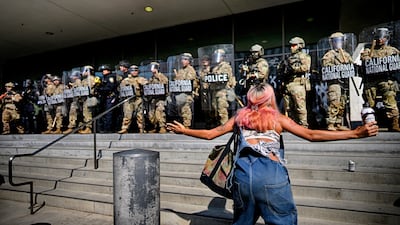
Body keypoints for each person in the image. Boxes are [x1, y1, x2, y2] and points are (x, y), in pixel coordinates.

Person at [166, 83, 378, 225]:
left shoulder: (240, 118)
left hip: (242, 177)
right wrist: (355, 133)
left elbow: (211, 134)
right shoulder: (278, 119)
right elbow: (311, 134)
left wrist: (184, 130)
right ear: (269, 99)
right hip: (271, 176)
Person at [360, 27, 400, 132]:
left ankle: (394, 122)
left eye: (383, 37)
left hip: (386, 79)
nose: (380, 40)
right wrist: (372, 49)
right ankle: (369, 123)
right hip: (371, 80)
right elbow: (365, 61)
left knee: (390, 100)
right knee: (369, 102)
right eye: (378, 37)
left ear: (387, 38)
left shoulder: (392, 50)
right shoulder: (368, 50)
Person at [321, 32, 353, 131]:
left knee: (343, 102)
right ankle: (331, 123)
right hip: (334, 82)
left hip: (344, 82)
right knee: (334, 102)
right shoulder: (329, 55)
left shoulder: (346, 54)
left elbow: (351, 65)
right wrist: (338, 67)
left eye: (340, 41)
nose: (338, 43)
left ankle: (339, 123)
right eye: (336, 41)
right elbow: (325, 66)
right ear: (332, 43)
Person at [278, 36, 311, 128]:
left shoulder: (303, 56)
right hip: (288, 84)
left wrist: (293, 69)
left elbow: (306, 67)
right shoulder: (288, 58)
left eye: (294, 45)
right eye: (291, 45)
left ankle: (303, 125)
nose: (291, 47)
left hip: (298, 84)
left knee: (300, 106)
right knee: (288, 107)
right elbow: (281, 70)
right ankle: (293, 125)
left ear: (300, 46)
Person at [118, 65, 148, 134]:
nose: (134, 72)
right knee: (127, 114)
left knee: (140, 114)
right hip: (129, 99)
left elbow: (147, 86)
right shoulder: (126, 80)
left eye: (136, 70)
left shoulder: (141, 79)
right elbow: (121, 89)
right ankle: (124, 128)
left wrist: (142, 84)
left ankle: (142, 128)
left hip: (138, 98)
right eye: (133, 70)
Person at [171, 53, 199, 128]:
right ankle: (182, 126)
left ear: (189, 61)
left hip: (187, 94)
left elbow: (189, 82)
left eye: (185, 59)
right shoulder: (181, 70)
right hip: (180, 94)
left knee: (186, 110)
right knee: (181, 111)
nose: (182, 61)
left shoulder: (190, 70)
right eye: (182, 59)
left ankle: (187, 127)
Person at [210, 48, 237, 125]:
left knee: (222, 109)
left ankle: (224, 125)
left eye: (218, 56)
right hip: (215, 90)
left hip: (223, 90)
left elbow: (224, 77)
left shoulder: (225, 66)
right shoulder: (215, 67)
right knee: (215, 108)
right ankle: (219, 124)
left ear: (223, 57)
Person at [146, 62, 169, 133]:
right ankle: (155, 127)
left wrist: (157, 75)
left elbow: (165, 83)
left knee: (160, 112)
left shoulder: (161, 76)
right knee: (151, 114)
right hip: (153, 98)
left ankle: (162, 127)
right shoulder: (151, 78)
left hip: (160, 98)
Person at [97, 64, 118, 133]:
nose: (103, 71)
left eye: (104, 70)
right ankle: (104, 128)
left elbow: (110, 87)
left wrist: (100, 89)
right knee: (105, 113)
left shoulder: (110, 77)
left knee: (109, 113)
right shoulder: (104, 77)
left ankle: (108, 129)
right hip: (105, 98)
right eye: (102, 70)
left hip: (110, 97)